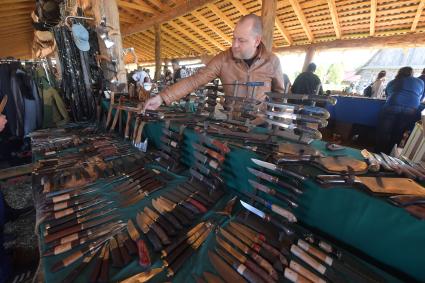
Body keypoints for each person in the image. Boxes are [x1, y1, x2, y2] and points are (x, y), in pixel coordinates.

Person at [143, 14, 285, 111]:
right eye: (234, 38)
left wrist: (275, 124)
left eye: (241, 40)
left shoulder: (272, 61)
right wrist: (162, 97)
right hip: (231, 125)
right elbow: (195, 80)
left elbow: (279, 95)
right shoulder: (223, 59)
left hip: (261, 126)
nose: (234, 45)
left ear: (257, 41)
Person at [376, 66, 425, 153]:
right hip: (412, 108)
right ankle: (390, 155)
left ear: (399, 73)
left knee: (384, 131)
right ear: (412, 73)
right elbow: (420, 97)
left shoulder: (393, 81)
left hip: (393, 105)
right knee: (398, 132)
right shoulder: (420, 82)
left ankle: (378, 154)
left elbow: (388, 94)